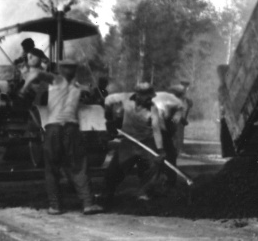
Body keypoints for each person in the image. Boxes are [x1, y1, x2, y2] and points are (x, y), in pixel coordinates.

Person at [23, 60, 102, 215]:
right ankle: (87, 204)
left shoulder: (56, 80)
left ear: (60, 69)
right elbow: (91, 93)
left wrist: (23, 88)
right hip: (71, 129)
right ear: (75, 70)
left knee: (52, 169)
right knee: (79, 166)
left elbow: (36, 74)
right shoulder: (78, 87)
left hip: (53, 129)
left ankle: (55, 206)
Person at [101, 82, 166, 206]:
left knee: (154, 165)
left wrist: (160, 149)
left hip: (146, 141)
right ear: (138, 95)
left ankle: (144, 193)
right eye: (148, 97)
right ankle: (107, 194)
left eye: (151, 96)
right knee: (115, 169)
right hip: (128, 141)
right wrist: (109, 119)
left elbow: (156, 129)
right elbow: (108, 100)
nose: (150, 99)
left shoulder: (153, 108)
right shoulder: (125, 98)